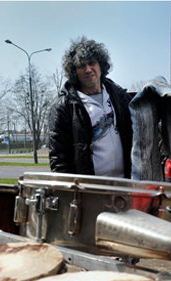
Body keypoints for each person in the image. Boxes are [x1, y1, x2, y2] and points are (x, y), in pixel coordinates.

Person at [48, 37, 133, 177]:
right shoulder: (64, 108)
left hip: (124, 185)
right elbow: (59, 160)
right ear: (74, 71)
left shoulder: (120, 97)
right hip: (90, 190)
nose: (88, 69)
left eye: (92, 63)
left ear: (101, 65)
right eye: (81, 66)